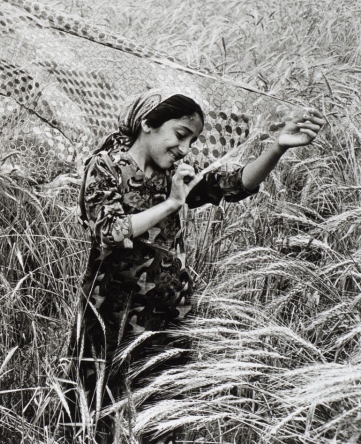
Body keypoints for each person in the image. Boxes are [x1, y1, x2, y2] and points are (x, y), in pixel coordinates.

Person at [75, 89, 325, 443]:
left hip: (169, 313)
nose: (185, 148)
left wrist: (278, 147)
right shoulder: (105, 167)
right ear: (148, 123)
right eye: (180, 135)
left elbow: (234, 185)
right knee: (97, 414)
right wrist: (173, 202)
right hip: (111, 317)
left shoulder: (174, 171)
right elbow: (110, 232)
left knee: (166, 417)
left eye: (192, 141)